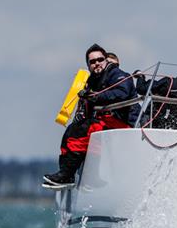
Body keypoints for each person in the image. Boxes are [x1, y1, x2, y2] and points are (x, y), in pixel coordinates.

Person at [43, 44, 138, 189]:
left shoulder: (117, 74)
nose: (97, 63)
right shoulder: (92, 80)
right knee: (71, 131)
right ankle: (66, 174)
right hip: (105, 121)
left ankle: (72, 176)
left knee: (87, 129)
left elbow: (122, 93)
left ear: (106, 60)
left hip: (123, 122)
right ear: (88, 65)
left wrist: (96, 97)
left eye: (100, 59)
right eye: (92, 62)